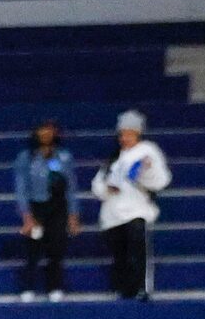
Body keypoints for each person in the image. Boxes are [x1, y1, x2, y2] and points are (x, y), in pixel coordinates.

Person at [93, 110, 171, 301]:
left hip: (136, 210)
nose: (125, 138)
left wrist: (145, 171)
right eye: (122, 134)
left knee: (137, 248)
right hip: (113, 214)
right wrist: (106, 189)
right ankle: (125, 288)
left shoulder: (147, 151)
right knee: (120, 253)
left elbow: (160, 180)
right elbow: (97, 183)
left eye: (130, 133)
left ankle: (142, 288)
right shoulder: (114, 157)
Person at [12, 120, 80, 302]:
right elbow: (21, 188)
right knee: (33, 249)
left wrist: (73, 215)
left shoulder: (64, 157)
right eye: (42, 129)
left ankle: (55, 286)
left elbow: (71, 187)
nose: (46, 133)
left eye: (49, 130)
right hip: (37, 208)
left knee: (56, 249)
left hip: (58, 209)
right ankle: (28, 287)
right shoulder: (26, 157)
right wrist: (27, 216)